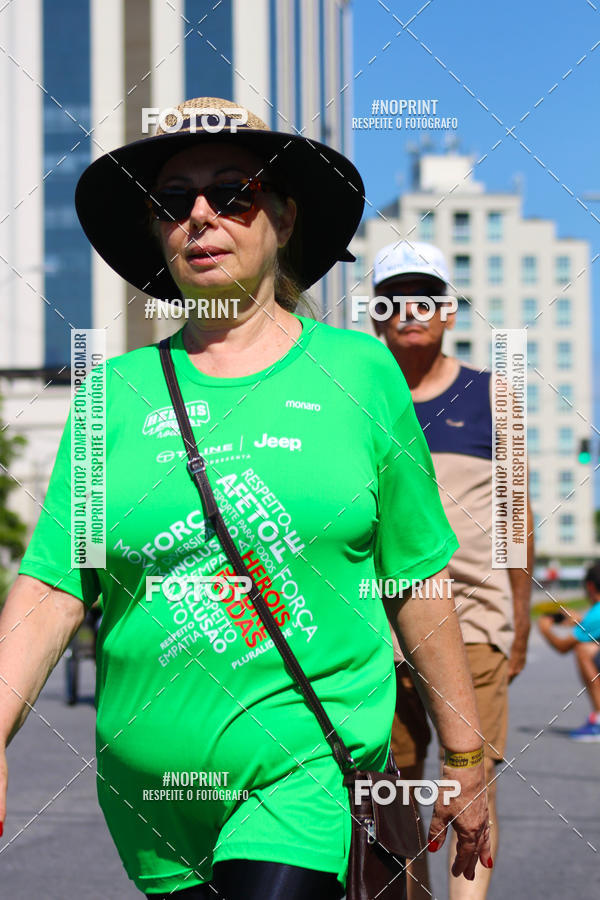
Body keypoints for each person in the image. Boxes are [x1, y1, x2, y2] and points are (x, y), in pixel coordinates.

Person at [0, 99, 491, 899]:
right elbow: (55, 585)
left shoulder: (360, 374)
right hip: (151, 800)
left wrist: (466, 759)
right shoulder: (111, 397)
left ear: (284, 218)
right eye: (173, 199)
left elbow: (416, 579)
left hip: (300, 772)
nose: (201, 215)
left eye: (233, 192)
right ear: (157, 231)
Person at [371, 240, 534, 900]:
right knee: (394, 796)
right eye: (392, 299)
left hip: (472, 621)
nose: (410, 310)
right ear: (375, 316)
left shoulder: (496, 397)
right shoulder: (357, 397)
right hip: (378, 627)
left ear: (449, 312)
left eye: (426, 297)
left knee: (469, 785)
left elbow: (516, 518)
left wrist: (517, 625)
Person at [538, 562, 600, 740]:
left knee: (583, 649)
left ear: (590, 586)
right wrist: (581, 622)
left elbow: (562, 647)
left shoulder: (596, 614)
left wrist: (545, 629)